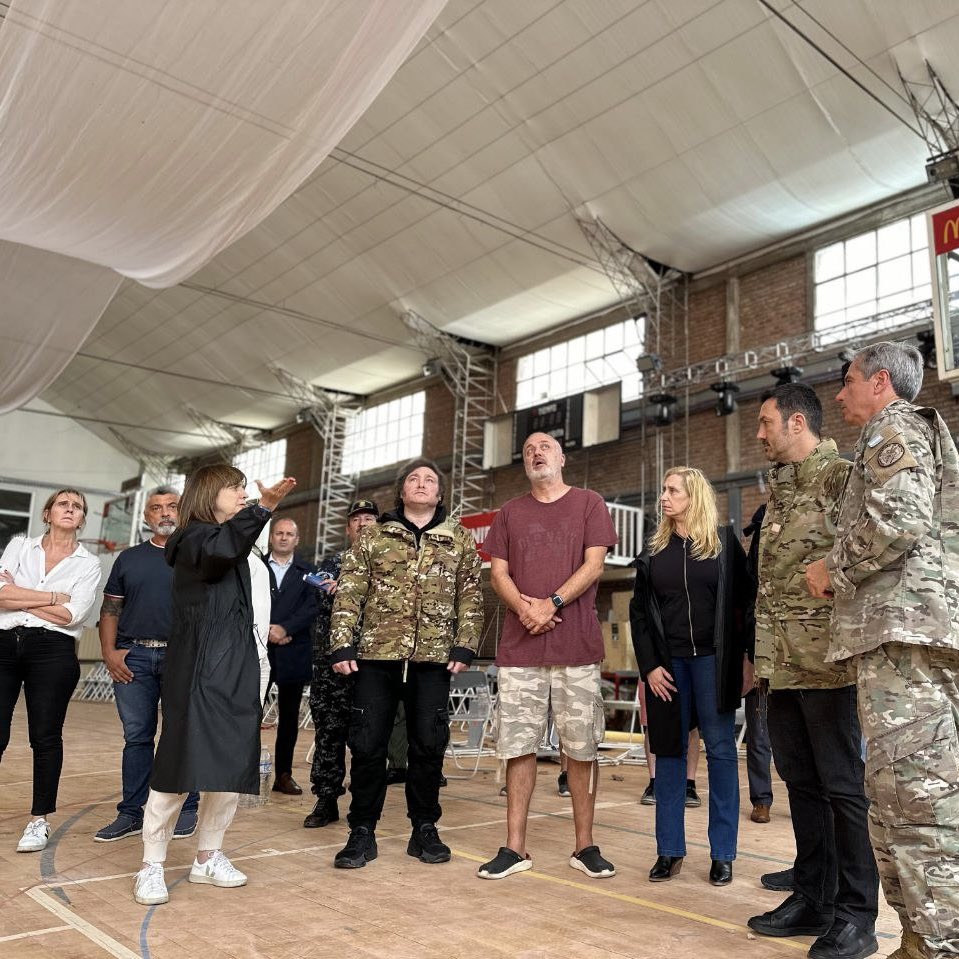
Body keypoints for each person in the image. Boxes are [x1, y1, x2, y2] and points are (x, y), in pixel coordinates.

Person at [806, 341, 959, 959]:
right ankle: (921, 938)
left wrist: (832, 568)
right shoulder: (890, 434)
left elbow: (899, 520)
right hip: (893, 635)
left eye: (848, 382)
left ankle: (942, 942)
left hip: (907, 635)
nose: (840, 395)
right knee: (894, 794)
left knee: (919, 796)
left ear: (882, 383)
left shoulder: (893, 428)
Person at [747, 383, 879, 959]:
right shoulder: (780, 487)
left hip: (830, 663)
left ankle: (856, 915)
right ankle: (813, 896)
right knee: (801, 786)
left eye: (765, 422)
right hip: (784, 664)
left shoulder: (839, 476)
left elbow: (871, 546)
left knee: (844, 789)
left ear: (796, 423)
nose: (759, 433)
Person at [132, 465, 295, 906]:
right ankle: (151, 864)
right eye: (235, 487)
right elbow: (221, 549)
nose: (244, 493)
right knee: (177, 764)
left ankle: (208, 855)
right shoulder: (192, 539)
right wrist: (263, 507)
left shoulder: (239, 546)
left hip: (240, 666)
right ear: (209, 493)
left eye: (245, 488)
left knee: (230, 765)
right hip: (196, 668)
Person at [477, 432, 618, 881]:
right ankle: (514, 848)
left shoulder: (589, 503)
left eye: (544, 448)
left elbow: (594, 564)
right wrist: (523, 608)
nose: (536, 454)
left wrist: (549, 603)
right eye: (527, 451)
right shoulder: (510, 514)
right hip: (521, 653)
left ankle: (585, 846)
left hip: (576, 649)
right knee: (517, 747)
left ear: (561, 458)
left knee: (581, 748)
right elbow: (498, 571)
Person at [329, 461, 482, 868]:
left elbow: (471, 594)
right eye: (414, 479)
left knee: (429, 744)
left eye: (429, 480)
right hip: (376, 656)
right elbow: (349, 590)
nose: (421, 484)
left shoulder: (459, 539)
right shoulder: (375, 535)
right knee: (366, 744)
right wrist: (342, 645)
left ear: (439, 494)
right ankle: (361, 831)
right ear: (402, 491)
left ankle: (424, 829)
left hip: (433, 658)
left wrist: (465, 645)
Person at [629, 466, 752, 887]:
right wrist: (649, 666)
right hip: (668, 668)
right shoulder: (652, 553)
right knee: (669, 755)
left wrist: (747, 662)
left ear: (693, 496)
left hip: (714, 664)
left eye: (672, 490)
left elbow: (744, 607)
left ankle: (723, 855)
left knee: (720, 752)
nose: (663, 497)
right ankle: (669, 851)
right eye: (663, 490)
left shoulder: (724, 547)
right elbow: (640, 616)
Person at [95, 486, 200, 843]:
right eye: (157, 508)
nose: (165, 513)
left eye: (172, 507)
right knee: (137, 736)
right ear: (147, 517)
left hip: (181, 657)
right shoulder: (129, 558)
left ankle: (187, 808)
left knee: (181, 734)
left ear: (183, 512)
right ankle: (131, 813)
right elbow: (110, 609)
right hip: (134, 658)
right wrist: (109, 653)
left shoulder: (197, 554)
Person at [0, 488, 102, 853]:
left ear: (82, 519)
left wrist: (21, 594)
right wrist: (54, 597)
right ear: (47, 513)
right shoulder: (19, 546)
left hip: (53, 650)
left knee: (44, 737)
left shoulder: (88, 563)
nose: (70, 509)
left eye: (77, 507)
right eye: (63, 503)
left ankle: (39, 820)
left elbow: (74, 615)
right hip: (4, 643)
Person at [303, 498, 378, 829]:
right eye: (356, 519)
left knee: (369, 735)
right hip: (331, 666)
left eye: (369, 518)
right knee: (328, 732)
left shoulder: (388, 566)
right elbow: (321, 593)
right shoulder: (331, 563)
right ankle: (326, 797)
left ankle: (364, 802)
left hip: (372, 665)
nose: (362, 523)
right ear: (348, 528)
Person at [262, 518, 317, 796]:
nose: (284, 538)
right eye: (279, 533)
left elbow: (312, 607)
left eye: (289, 534)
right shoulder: (256, 567)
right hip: (259, 649)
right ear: (271, 538)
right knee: (249, 713)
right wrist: (267, 631)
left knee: (289, 718)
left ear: (297, 539)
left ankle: (283, 775)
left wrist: (286, 628)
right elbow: (246, 603)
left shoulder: (309, 572)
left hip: (293, 650)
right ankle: (243, 774)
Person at [741, 503, 774, 826]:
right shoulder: (752, 566)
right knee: (759, 734)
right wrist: (747, 658)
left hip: (796, 653)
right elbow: (745, 608)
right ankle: (761, 799)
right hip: (758, 652)